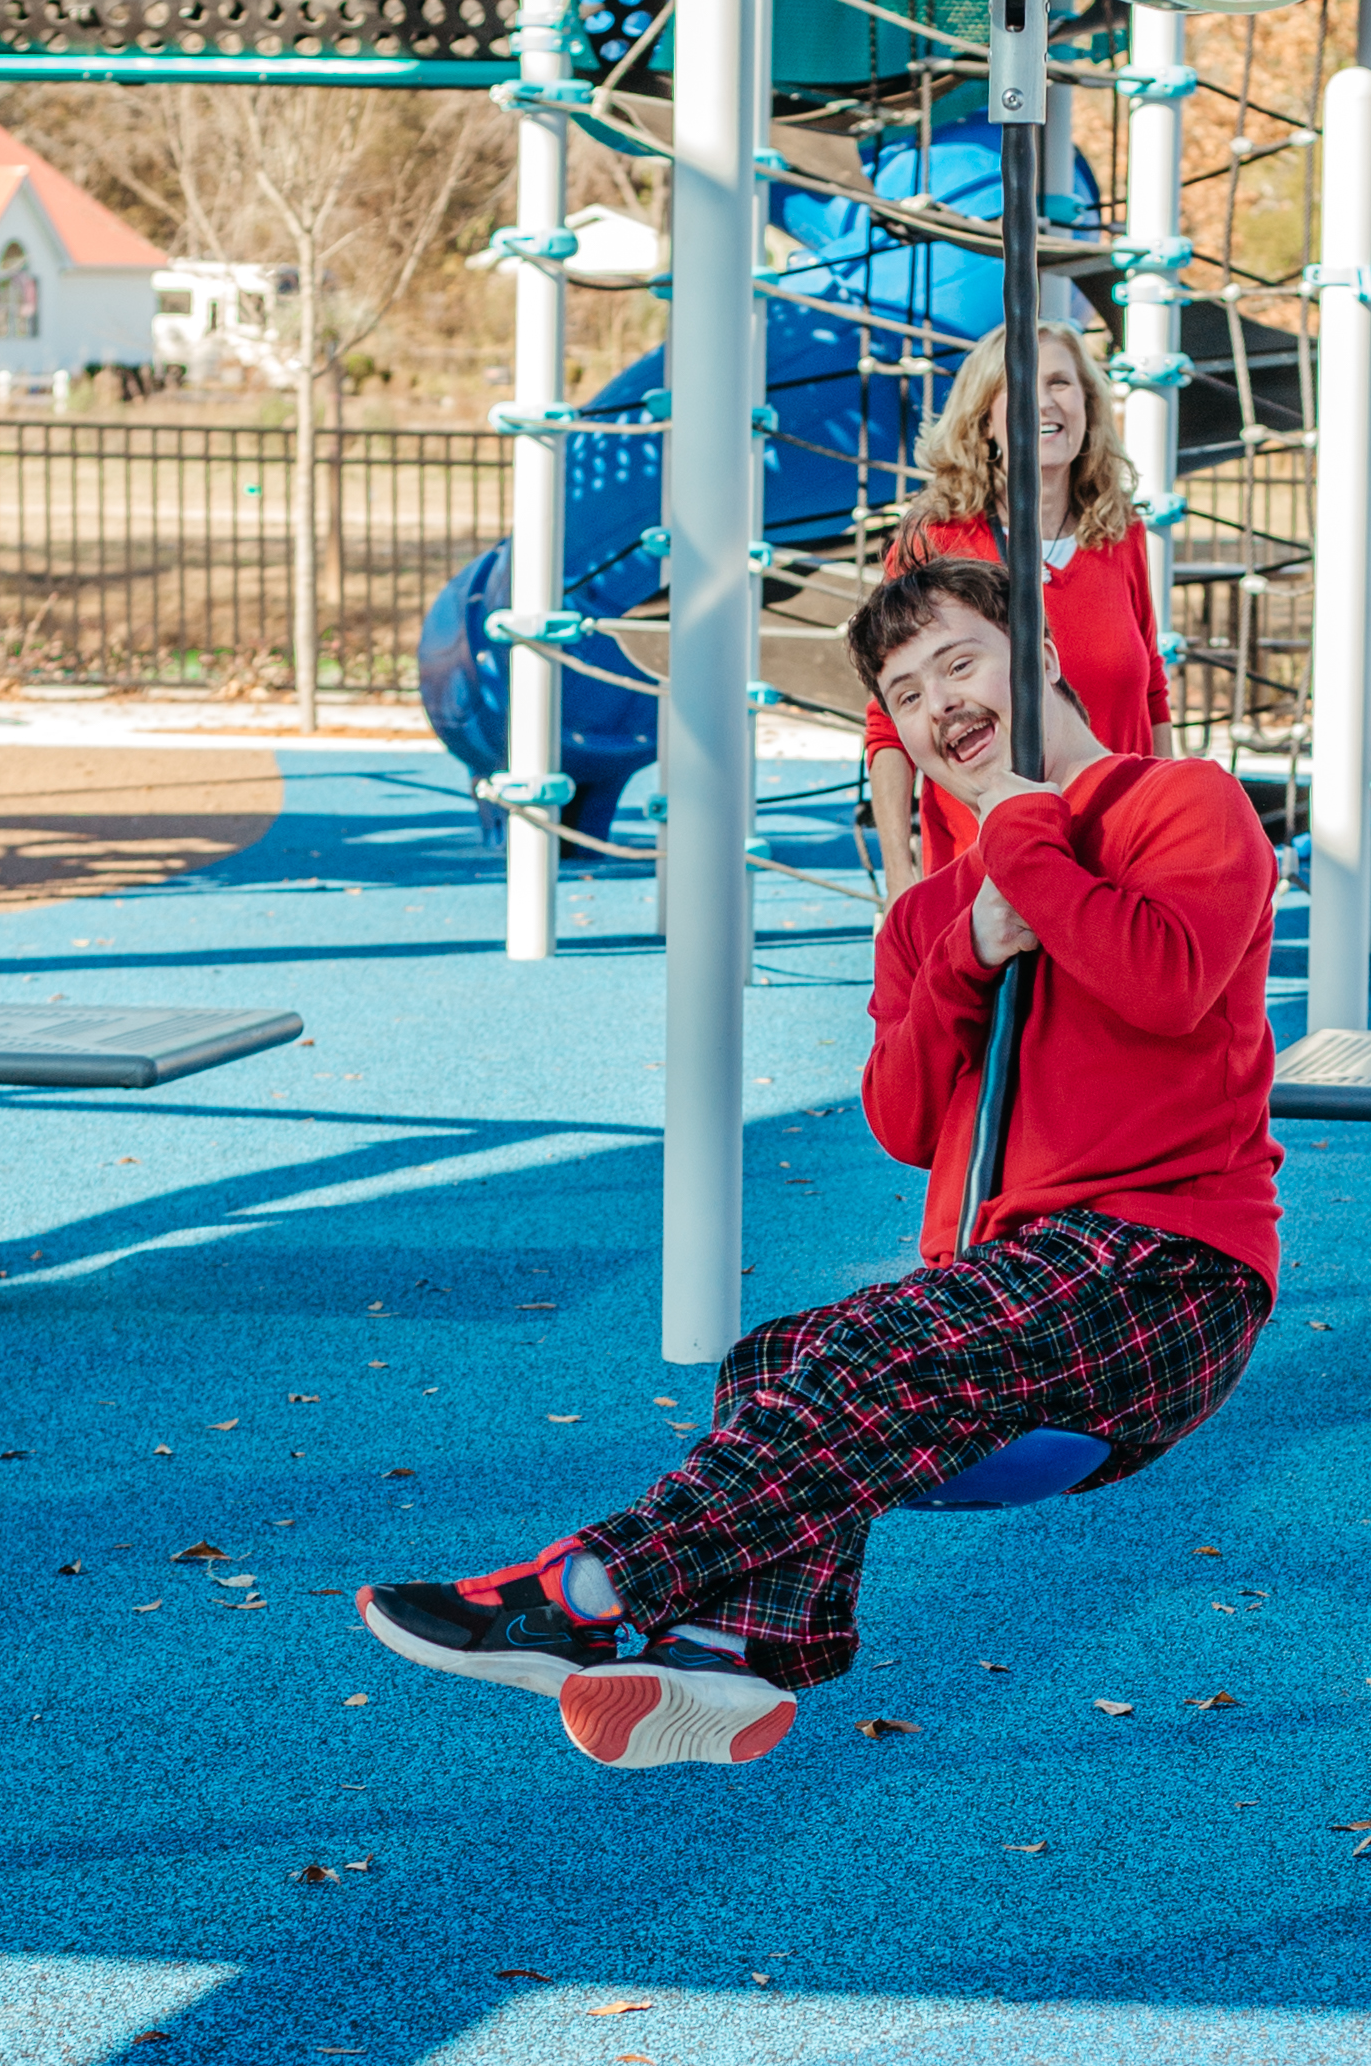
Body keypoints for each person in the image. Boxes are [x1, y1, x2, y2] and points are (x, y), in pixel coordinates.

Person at [355, 551, 1280, 1773]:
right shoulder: (925, 913)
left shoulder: (1178, 805)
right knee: (775, 1355)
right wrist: (965, 951)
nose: (938, 701)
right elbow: (904, 1122)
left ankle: (586, 1588)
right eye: (904, 691)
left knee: (853, 1351)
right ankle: (734, 1651)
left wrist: (1029, 847)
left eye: (961, 661)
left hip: (1165, 1271)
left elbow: (1166, 987)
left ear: (1044, 658)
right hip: (1028, 1284)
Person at [860, 323, 1171, 898]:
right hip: (984, 871)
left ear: (1088, 405)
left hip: (1115, 856)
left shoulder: (1119, 533)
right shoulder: (937, 541)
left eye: (1061, 383)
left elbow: (1150, 687)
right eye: (1024, 386)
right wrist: (902, 878)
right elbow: (888, 723)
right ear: (986, 420)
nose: (1046, 402)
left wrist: (1169, 826)